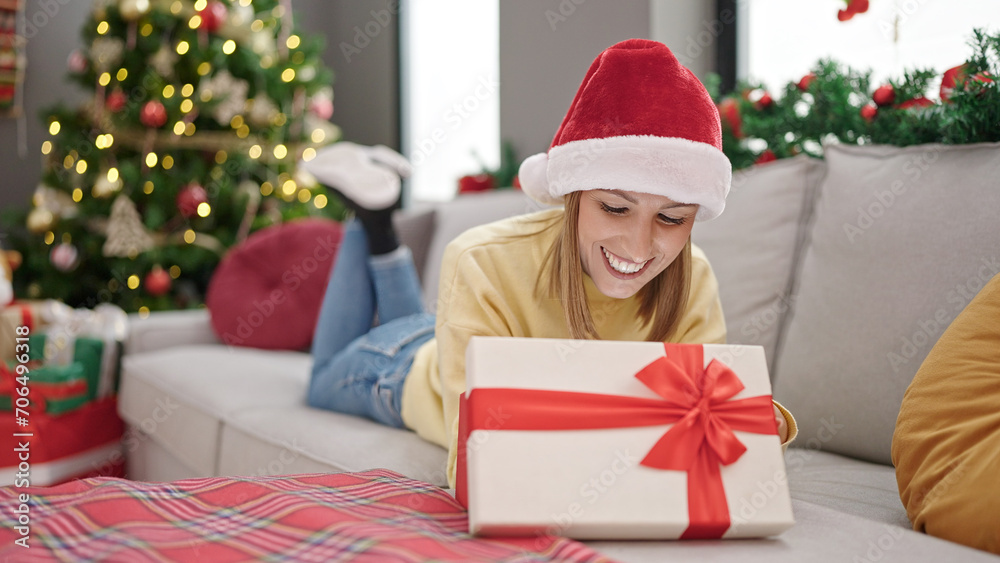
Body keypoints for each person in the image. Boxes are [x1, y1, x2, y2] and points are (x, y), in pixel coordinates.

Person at [303, 39, 796, 488]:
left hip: (452, 329)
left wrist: (746, 423)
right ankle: (369, 214)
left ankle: (372, 206)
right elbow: (472, 466)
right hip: (400, 369)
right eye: (615, 208)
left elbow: (695, 428)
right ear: (572, 197)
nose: (640, 246)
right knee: (320, 377)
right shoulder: (479, 260)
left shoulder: (695, 278)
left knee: (410, 322)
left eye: (670, 217)